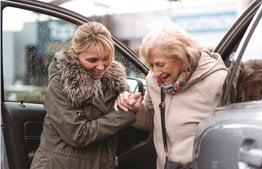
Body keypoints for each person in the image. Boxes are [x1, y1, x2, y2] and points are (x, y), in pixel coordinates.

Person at [114, 18, 227, 169]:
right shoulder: (154, 81)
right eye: (151, 65)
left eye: (161, 64)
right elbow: (150, 120)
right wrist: (136, 109)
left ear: (183, 55)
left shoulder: (217, 81)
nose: (155, 72)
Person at [30, 22, 136, 169]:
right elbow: (78, 134)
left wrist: (131, 101)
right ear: (75, 53)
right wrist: (126, 113)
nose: (101, 66)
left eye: (106, 58)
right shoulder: (60, 83)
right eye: (92, 60)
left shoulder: (115, 83)